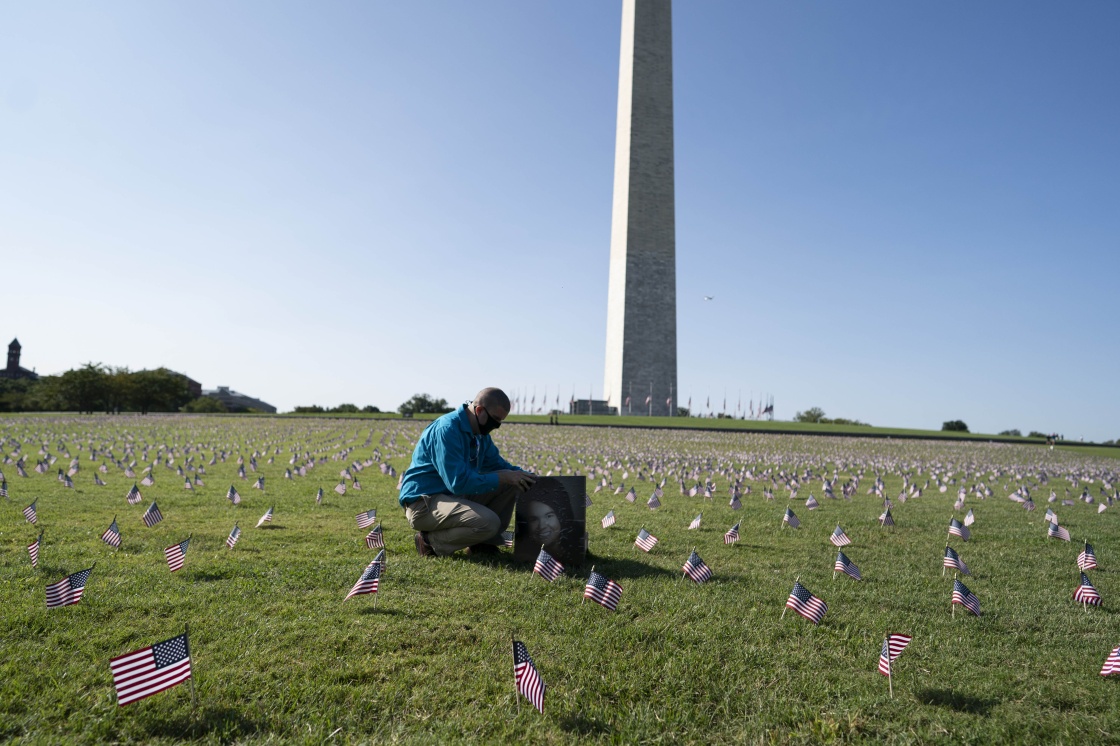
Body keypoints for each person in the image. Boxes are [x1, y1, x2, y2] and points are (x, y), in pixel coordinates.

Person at [399, 387, 535, 557]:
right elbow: (458, 482)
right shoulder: (447, 430)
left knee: (513, 483)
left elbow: (498, 465)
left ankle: (483, 545)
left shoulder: (480, 433)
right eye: (495, 420)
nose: (497, 426)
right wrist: (503, 477)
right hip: (424, 502)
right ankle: (429, 542)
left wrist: (525, 476)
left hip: (450, 496)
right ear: (479, 410)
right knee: (489, 522)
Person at [515, 479, 578, 565]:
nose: (542, 526)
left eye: (549, 516)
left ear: (561, 517)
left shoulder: (577, 546)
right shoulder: (523, 552)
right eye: (534, 519)